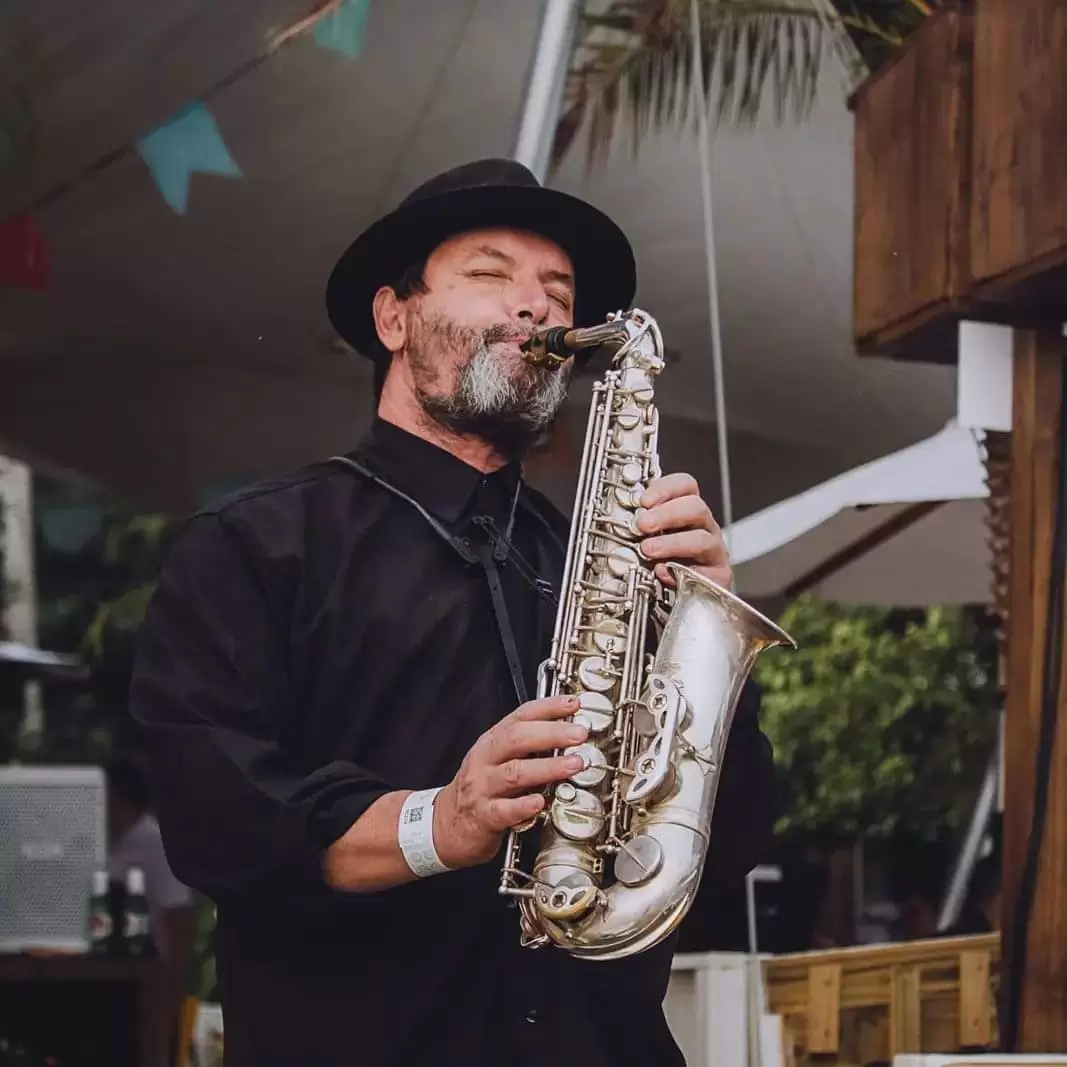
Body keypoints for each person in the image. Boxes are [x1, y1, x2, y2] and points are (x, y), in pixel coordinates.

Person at [128, 158, 778, 1067]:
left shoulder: (607, 559)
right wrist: (441, 820)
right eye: (489, 273)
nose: (537, 307)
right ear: (392, 317)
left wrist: (703, 626)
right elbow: (218, 816)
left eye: (557, 288)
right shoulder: (255, 546)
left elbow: (718, 849)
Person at [104, 755, 195, 1061]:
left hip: (149, 984)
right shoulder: (104, 844)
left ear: (118, 798)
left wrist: (170, 1004)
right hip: (108, 982)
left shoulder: (154, 843)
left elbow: (179, 920)